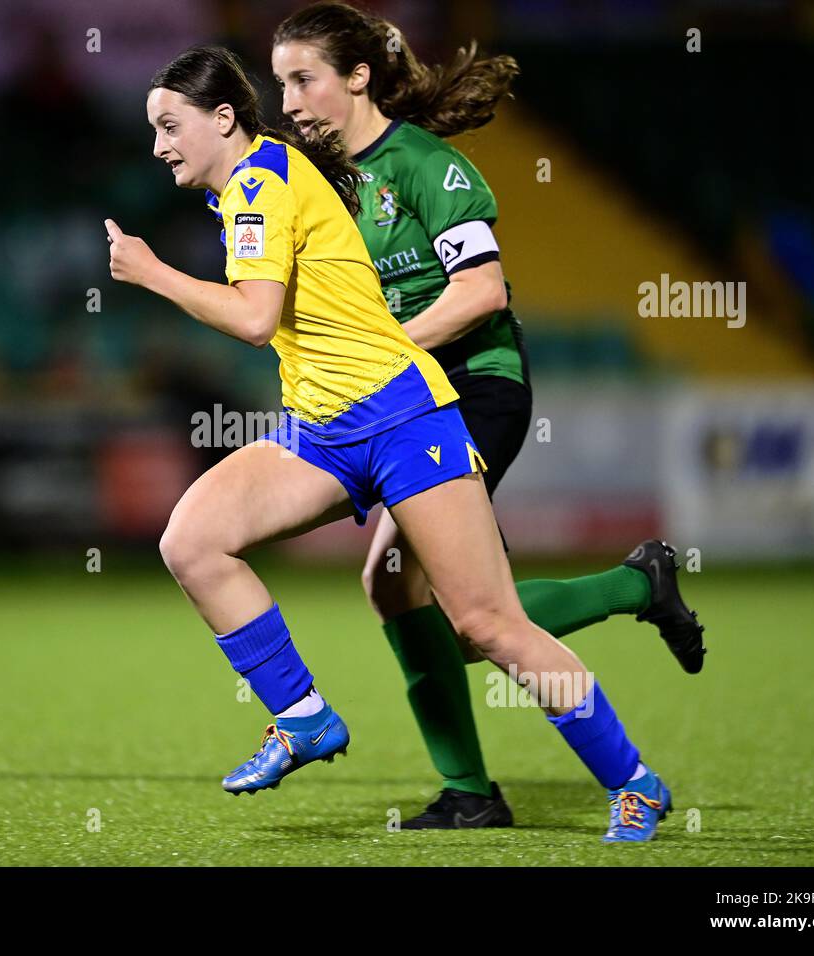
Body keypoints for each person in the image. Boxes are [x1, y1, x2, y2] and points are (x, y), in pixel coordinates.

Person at [108, 44, 671, 841]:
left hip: (406, 421)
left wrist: (150, 270)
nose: (159, 145)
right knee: (194, 540)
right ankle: (303, 717)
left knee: (487, 625)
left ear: (223, 119)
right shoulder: (258, 177)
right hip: (325, 432)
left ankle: (635, 782)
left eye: (170, 126)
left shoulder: (260, 185)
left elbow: (253, 318)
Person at [272, 0, 705, 830]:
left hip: (476, 385)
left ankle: (493, 788)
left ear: (357, 78)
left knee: (464, 613)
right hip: (403, 396)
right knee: (416, 597)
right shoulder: (324, 187)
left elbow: (481, 292)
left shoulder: (426, 166)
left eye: (303, 79)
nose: (287, 101)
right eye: (280, 81)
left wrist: (382, 350)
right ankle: (629, 591)